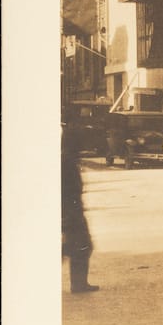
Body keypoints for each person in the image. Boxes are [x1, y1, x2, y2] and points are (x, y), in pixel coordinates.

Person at [62, 125, 98, 294]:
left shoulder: (68, 160)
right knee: (82, 246)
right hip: (71, 212)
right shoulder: (66, 162)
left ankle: (79, 283)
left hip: (72, 211)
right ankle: (78, 284)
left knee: (77, 246)